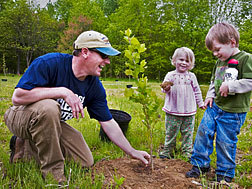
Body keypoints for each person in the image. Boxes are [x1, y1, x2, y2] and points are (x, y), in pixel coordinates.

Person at [4, 30, 150, 184]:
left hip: (50, 124)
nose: (107, 61)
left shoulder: (94, 86)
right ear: (85, 52)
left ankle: (24, 146)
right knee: (49, 107)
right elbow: (18, 97)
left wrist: (132, 151)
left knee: (84, 161)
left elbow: (108, 122)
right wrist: (62, 91)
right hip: (19, 116)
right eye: (104, 56)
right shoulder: (50, 63)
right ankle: (55, 178)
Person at [185, 23, 252, 183]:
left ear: (232, 42)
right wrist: (210, 95)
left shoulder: (245, 59)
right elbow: (214, 81)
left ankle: (224, 174)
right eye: (213, 51)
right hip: (215, 107)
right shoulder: (219, 62)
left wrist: (231, 85)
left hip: (233, 112)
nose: (215, 54)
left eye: (218, 49)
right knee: (203, 133)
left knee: (225, 142)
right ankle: (200, 164)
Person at [159, 47, 205, 160]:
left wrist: (201, 103)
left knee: (188, 133)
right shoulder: (170, 75)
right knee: (171, 132)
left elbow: (197, 91)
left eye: (187, 61)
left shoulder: (191, 76)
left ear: (191, 64)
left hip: (189, 111)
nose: (184, 63)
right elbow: (164, 89)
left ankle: (187, 152)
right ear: (174, 60)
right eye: (181, 60)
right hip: (172, 110)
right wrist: (167, 88)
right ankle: (168, 150)